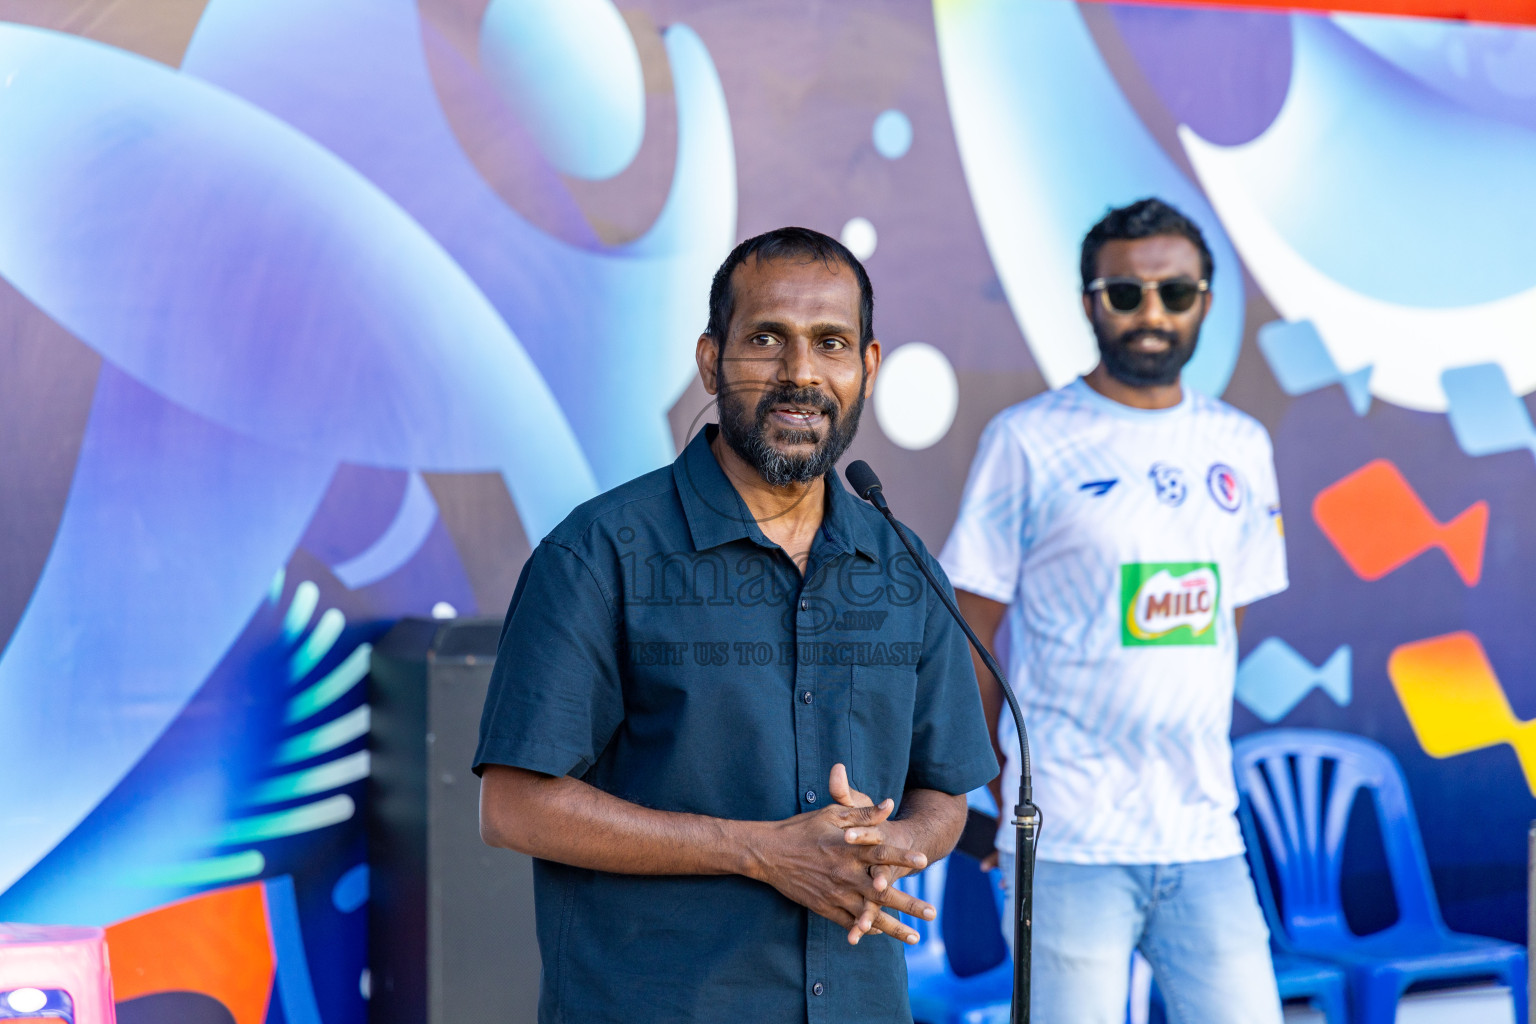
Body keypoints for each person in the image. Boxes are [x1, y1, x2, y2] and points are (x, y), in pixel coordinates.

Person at [475, 226, 998, 1024]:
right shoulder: (600, 552)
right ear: (711, 359)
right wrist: (761, 851)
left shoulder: (900, 562)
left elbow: (944, 792)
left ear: (868, 367)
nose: (800, 373)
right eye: (766, 339)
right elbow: (514, 807)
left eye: (830, 343)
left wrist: (904, 845)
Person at [941, 198, 1289, 1023]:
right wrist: (990, 806)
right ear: (1091, 302)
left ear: (1206, 300)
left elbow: (1223, 628)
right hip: (1068, 843)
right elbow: (972, 639)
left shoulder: (1241, 445)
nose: (1153, 315)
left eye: (1176, 292)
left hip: (1207, 836)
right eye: (1126, 294)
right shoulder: (1027, 440)